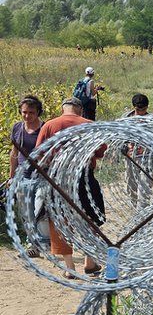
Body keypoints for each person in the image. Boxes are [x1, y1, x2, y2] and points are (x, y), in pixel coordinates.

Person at [36, 98, 103, 278]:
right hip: (84, 177)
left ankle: (69, 266)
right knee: (91, 217)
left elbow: (39, 154)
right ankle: (90, 261)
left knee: (60, 220)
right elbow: (101, 151)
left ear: (63, 109)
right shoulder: (89, 125)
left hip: (58, 178)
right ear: (80, 110)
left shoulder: (49, 126)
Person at [8, 95, 46, 258]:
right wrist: (11, 177)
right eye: (24, 112)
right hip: (23, 177)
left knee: (41, 211)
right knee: (26, 212)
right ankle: (33, 245)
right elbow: (14, 154)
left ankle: (47, 241)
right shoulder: (17, 128)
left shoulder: (45, 128)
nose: (27, 116)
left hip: (44, 177)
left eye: (31, 112)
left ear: (38, 112)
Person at [124, 94, 153, 205]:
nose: (141, 112)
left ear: (147, 107)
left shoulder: (152, 122)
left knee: (145, 187)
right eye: (138, 109)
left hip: (147, 158)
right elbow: (121, 137)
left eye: (143, 109)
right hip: (131, 157)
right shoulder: (126, 120)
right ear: (133, 107)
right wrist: (125, 146)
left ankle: (143, 212)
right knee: (131, 185)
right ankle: (135, 208)